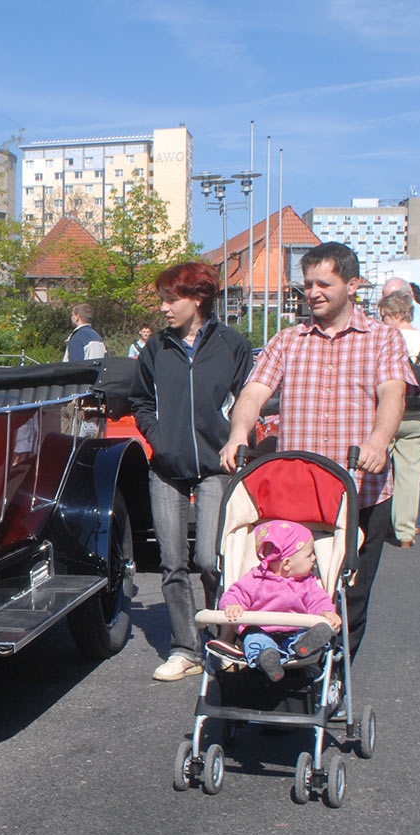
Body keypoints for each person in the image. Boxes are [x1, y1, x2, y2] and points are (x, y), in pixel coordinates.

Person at [219, 242, 413, 662]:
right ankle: (289, 678)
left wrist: (379, 442)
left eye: (324, 283)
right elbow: (253, 393)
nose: (313, 292)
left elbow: (392, 393)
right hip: (300, 498)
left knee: (350, 600)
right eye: (308, 284)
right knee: (284, 594)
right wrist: (238, 432)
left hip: (362, 489)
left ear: (353, 284)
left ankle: (334, 684)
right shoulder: (288, 340)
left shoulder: (383, 340)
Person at [130, 260, 254, 682]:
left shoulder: (232, 345)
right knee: (171, 562)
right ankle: (186, 649)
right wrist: (158, 438)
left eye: (171, 299)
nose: (164, 308)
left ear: (197, 298)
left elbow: (249, 399)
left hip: (217, 467)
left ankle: (225, 640)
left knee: (210, 559)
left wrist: (237, 439)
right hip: (166, 468)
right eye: (163, 300)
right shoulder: (156, 348)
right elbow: (140, 401)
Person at [215, 520, 341, 683]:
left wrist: (325, 612)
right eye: (309, 555)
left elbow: (319, 601)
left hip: (294, 632)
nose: (314, 558)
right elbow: (236, 593)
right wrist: (233, 605)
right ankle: (267, 658)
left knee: (307, 632)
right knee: (255, 639)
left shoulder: (308, 583)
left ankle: (303, 646)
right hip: (261, 630)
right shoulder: (256, 580)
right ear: (287, 564)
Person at [376, 290, 420, 546]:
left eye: (385, 316)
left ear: (396, 314)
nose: (382, 321)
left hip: (387, 413)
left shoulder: (384, 339)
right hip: (418, 415)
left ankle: (377, 527)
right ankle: (405, 533)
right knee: (410, 475)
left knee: (378, 471)